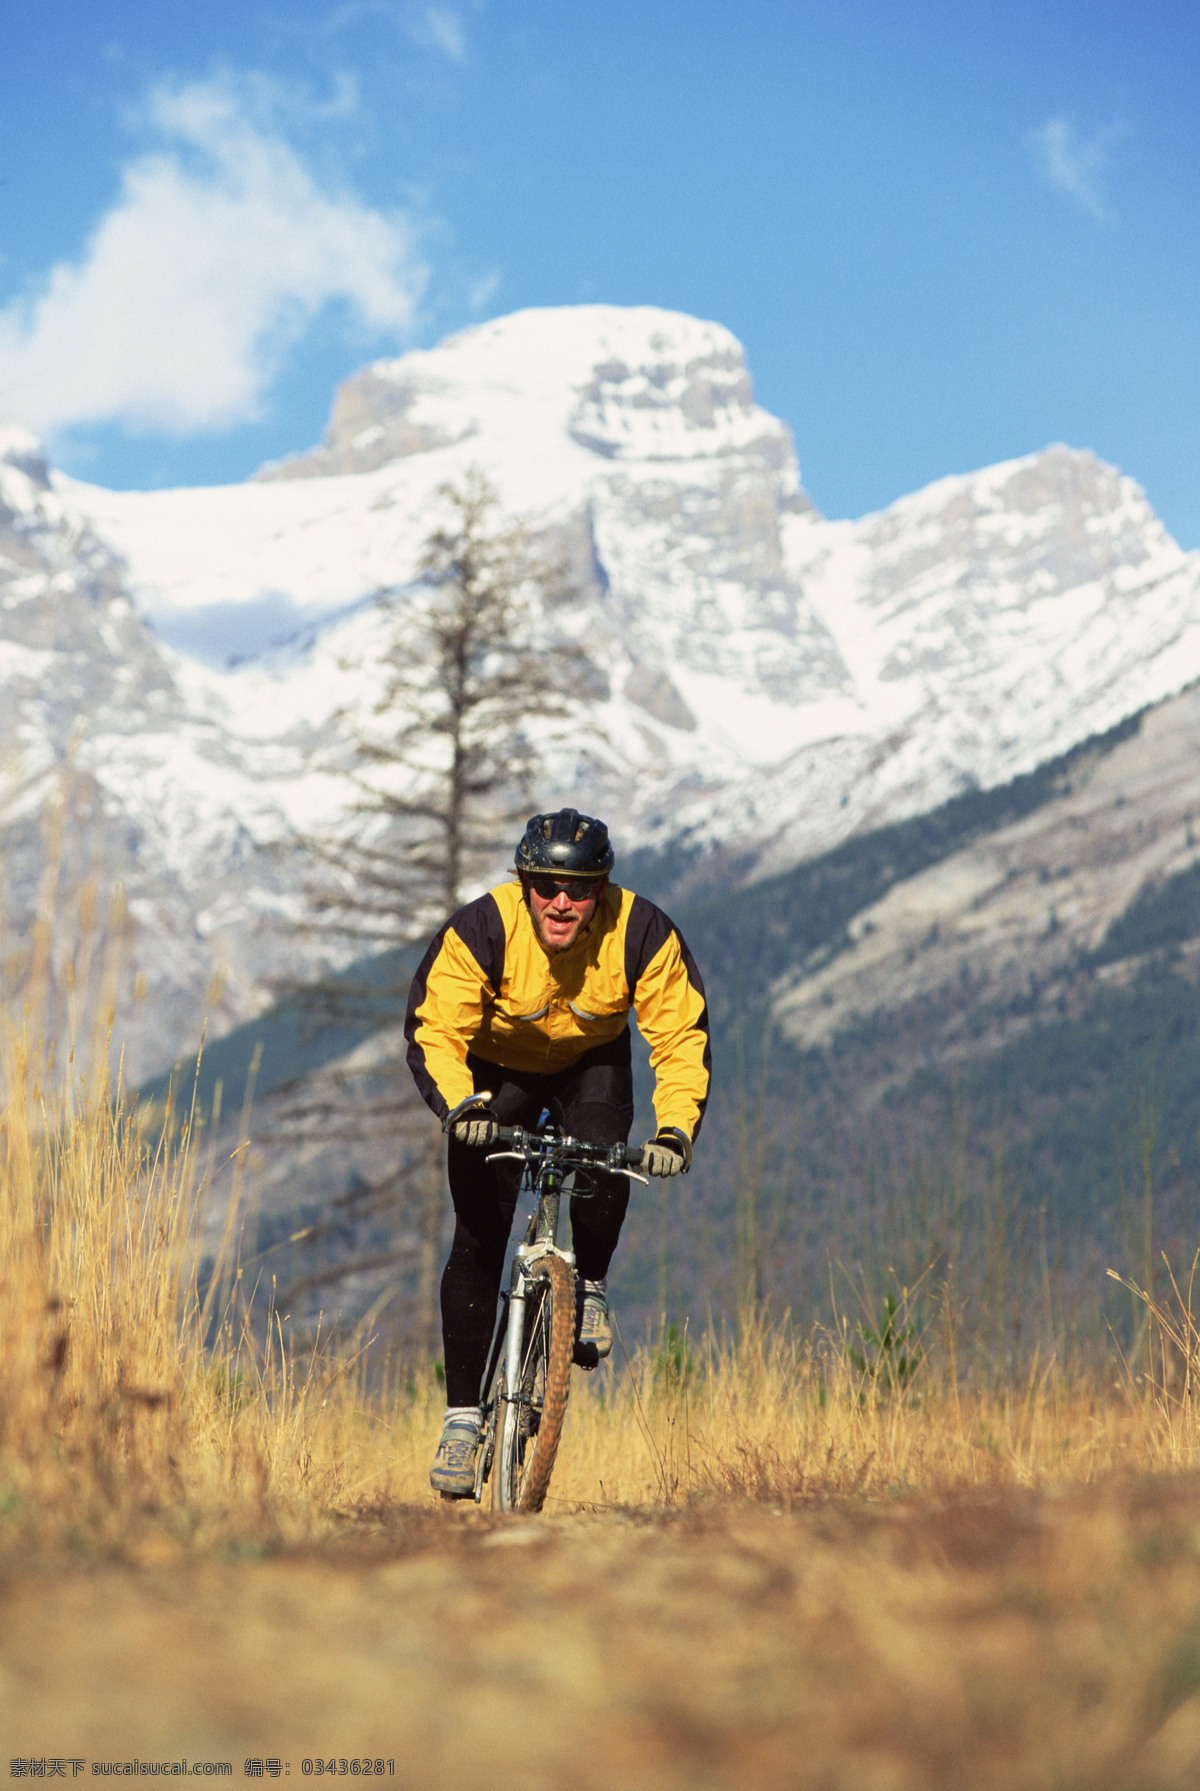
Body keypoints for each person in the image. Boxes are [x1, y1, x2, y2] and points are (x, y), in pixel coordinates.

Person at [405, 806, 710, 1496]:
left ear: (601, 889)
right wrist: (461, 1107)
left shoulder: (640, 931)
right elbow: (436, 1024)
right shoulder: (484, 928)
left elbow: (680, 1034)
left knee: (607, 1153)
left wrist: (674, 1131)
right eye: (545, 885)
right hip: (496, 1073)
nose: (561, 901)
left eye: (578, 887)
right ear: (525, 885)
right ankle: (461, 1421)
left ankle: (590, 1285)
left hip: (590, 1063)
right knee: (479, 1239)